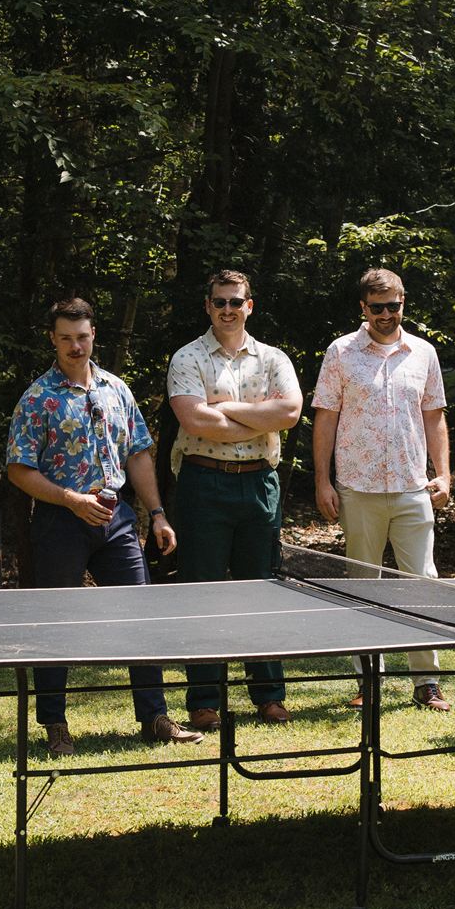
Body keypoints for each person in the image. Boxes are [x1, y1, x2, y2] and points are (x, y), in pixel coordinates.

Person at [5, 297, 202, 756]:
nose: (76, 346)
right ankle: (54, 724)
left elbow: (137, 454)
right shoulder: (38, 398)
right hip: (61, 519)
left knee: (140, 615)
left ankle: (154, 717)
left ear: (94, 336)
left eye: (83, 336)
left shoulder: (117, 389)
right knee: (56, 624)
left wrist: (156, 514)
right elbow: (19, 469)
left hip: (116, 521)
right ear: (53, 340)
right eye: (66, 338)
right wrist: (70, 500)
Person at [311, 267, 454, 711]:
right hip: (358, 487)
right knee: (363, 585)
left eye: (395, 305)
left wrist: (444, 474)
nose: (388, 314)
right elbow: (325, 417)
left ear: (403, 303)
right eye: (378, 308)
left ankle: (426, 682)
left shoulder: (423, 353)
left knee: (421, 584)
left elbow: (434, 416)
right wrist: (322, 481)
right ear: (363, 308)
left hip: (413, 487)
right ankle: (368, 680)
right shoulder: (340, 352)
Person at [168, 269, 305, 729]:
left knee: (261, 588)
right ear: (208, 306)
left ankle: (268, 695)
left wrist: (222, 407)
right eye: (219, 302)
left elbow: (290, 411)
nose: (228, 309)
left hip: (259, 482)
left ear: (250, 305)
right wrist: (258, 418)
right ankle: (204, 700)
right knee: (202, 592)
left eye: (236, 301)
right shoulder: (187, 357)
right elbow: (195, 421)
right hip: (203, 482)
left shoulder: (272, 358)